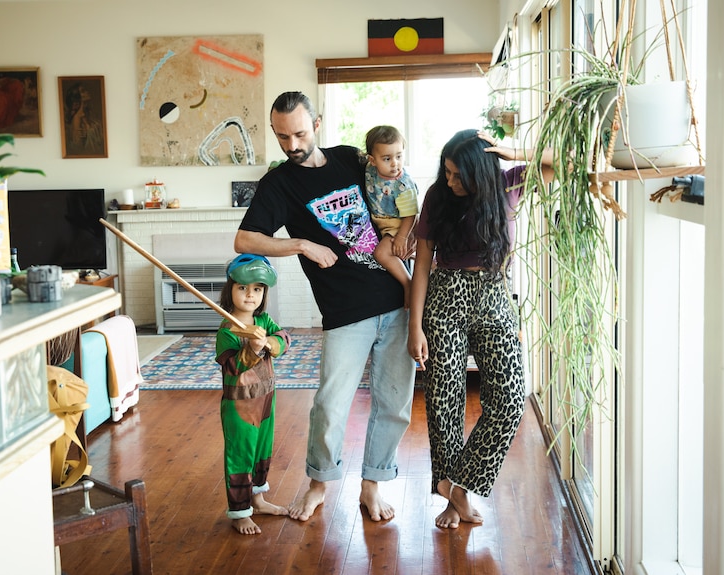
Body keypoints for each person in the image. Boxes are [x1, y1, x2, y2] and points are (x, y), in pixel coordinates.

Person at [234, 91, 416, 523]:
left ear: (316, 124)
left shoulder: (351, 159)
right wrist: (301, 244)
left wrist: (404, 233)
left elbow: (398, 179)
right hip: (343, 311)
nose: (292, 145)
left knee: (394, 404)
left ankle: (371, 488)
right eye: (282, 137)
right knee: (331, 405)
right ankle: (319, 483)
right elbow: (245, 240)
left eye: (298, 133)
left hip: (397, 301)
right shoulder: (279, 183)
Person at [406, 129, 555, 529]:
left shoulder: (511, 181)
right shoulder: (438, 196)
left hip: (495, 294)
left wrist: (512, 150)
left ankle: (457, 484)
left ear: (482, 168)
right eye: (448, 172)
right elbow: (421, 264)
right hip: (445, 297)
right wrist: (414, 326)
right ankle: (455, 497)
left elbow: (569, 161)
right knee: (444, 402)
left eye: (458, 174)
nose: (451, 181)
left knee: (508, 399)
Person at [216, 253, 291, 535]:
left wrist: (269, 342)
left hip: (266, 400)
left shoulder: (263, 320)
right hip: (239, 406)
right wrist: (252, 349)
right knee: (240, 456)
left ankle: (257, 500)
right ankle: (239, 512)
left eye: (257, 289)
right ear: (230, 289)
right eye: (243, 288)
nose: (250, 295)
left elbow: (284, 338)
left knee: (261, 453)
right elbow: (234, 367)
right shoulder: (226, 330)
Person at [362, 125, 419, 306]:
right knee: (396, 252)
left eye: (399, 156)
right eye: (387, 158)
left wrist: (402, 237)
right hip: (382, 221)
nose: (395, 163)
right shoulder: (369, 170)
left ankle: (407, 283)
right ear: (372, 159)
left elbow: (411, 215)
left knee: (381, 253)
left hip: (399, 223)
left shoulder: (403, 184)